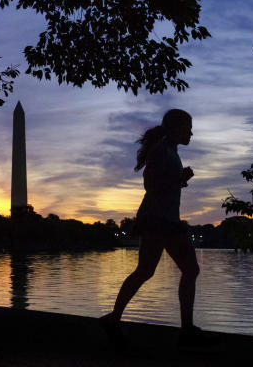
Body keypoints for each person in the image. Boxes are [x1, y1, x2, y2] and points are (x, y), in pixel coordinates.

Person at [99, 109, 213, 348]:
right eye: (188, 128)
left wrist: (181, 179)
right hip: (159, 220)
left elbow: (164, 184)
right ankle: (187, 331)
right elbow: (150, 184)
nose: (191, 133)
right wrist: (177, 178)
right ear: (175, 128)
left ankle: (114, 319)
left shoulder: (171, 150)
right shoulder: (161, 150)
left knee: (147, 271)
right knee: (187, 269)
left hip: (162, 219)